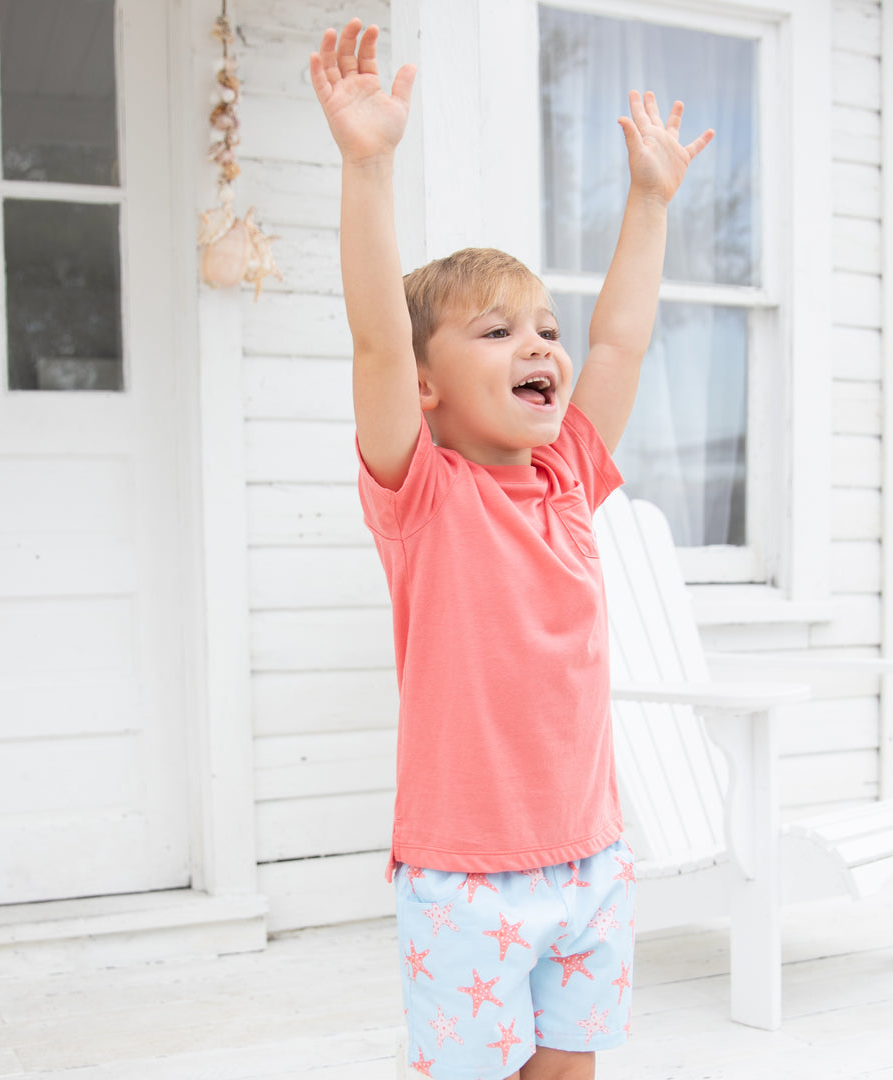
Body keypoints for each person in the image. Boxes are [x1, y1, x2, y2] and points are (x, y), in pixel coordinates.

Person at [310, 18, 713, 1080]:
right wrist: (368, 168)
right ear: (429, 385)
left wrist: (649, 202)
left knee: (571, 1070)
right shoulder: (423, 492)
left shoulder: (570, 473)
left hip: (589, 855)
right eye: (496, 332)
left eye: (540, 327)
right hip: (468, 878)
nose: (538, 343)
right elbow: (374, 338)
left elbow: (619, 336)